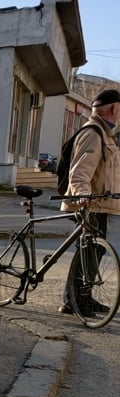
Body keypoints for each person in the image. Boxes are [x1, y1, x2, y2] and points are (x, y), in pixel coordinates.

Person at [59, 88, 120, 314]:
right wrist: (82, 193)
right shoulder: (93, 133)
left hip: (101, 204)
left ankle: (82, 298)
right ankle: (73, 301)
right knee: (88, 252)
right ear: (114, 108)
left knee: (93, 252)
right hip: (90, 204)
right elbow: (80, 171)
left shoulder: (106, 134)